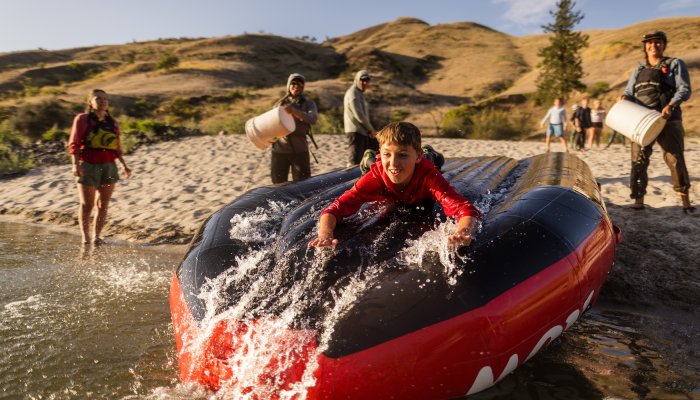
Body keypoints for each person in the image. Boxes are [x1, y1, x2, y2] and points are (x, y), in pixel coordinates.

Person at [309, 122, 481, 249]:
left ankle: (427, 152)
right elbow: (334, 209)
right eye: (387, 154)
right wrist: (325, 234)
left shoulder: (428, 175)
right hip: (377, 166)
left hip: (424, 164)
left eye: (403, 155)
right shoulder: (376, 177)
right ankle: (371, 156)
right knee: (373, 164)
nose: (394, 162)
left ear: (416, 155)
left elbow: (464, 208)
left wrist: (464, 231)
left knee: (435, 160)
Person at [618, 30, 693, 212]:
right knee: (638, 160)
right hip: (640, 121)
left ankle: (686, 202)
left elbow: (684, 89)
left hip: (668, 119)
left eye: (657, 42)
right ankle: (638, 201)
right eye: (649, 42)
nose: (653, 45)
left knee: (674, 158)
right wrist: (623, 98)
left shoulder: (675, 64)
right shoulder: (639, 69)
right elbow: (629, 92)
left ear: (663, 44)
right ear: (645, 46)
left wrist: (671, 105)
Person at [68, 89, 131, 245]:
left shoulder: (113, 122)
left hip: (109, 167)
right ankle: (86, 238)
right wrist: (75, 165)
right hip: (88, 166)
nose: (102, 101)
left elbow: (117, 147)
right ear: (90, 101)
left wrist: (124, 165)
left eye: (105, 99)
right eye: (98, 98)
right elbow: (74, 143)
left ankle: (97, 236)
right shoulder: (82, 119)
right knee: (87, 204)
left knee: (103, 205)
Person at [271, 73, 318, 183]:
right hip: (279, 150)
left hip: (300, 150)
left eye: (300, 84)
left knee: (303, 185)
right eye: (293, 83)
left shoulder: (309, 104)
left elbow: (313, 119)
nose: (296, 86)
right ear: (288, 86)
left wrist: (294, 111)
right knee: (278, 185)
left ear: (303, 87)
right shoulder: (278, 104)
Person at [344, 70, 378, 166]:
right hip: (355, 131)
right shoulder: (353, 93)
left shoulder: (359, 93)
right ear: (356, 80)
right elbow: (359, 115)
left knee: (365, 158)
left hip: (362, 131)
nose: (364, 83)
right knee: (354, 161)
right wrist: (370, 129)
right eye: (362, 80)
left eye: (367, 81)